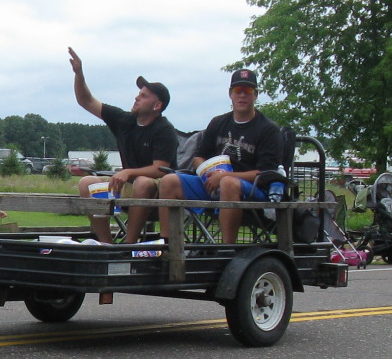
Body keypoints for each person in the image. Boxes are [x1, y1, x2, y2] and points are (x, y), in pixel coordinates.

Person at [157, 68, 285, 243]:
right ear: (230, 94)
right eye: (237, 90)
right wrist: (207, 173)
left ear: (255, 95)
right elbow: (198, 157)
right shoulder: (218, 123)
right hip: (214, 182)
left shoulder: (268, 129)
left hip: (252, 188)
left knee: (228, 183)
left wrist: (224, 177)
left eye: (247, 91)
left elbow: (266, 174)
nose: (242, 96)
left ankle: (226, 248)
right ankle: (167, 244)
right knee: (169, 180)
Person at [68, 50, 178, 242]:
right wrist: (79, 74)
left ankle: (128, 245)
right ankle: (106, 245)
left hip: (159, 192)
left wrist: (128, 172)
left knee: (143, 181)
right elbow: (85, 101)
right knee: (86, 183)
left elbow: (160, 169)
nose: (137, 98)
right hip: (127, 185)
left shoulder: (164, 129)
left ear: (157, 106)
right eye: (138, 94)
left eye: (143, 96)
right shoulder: (124, 120)